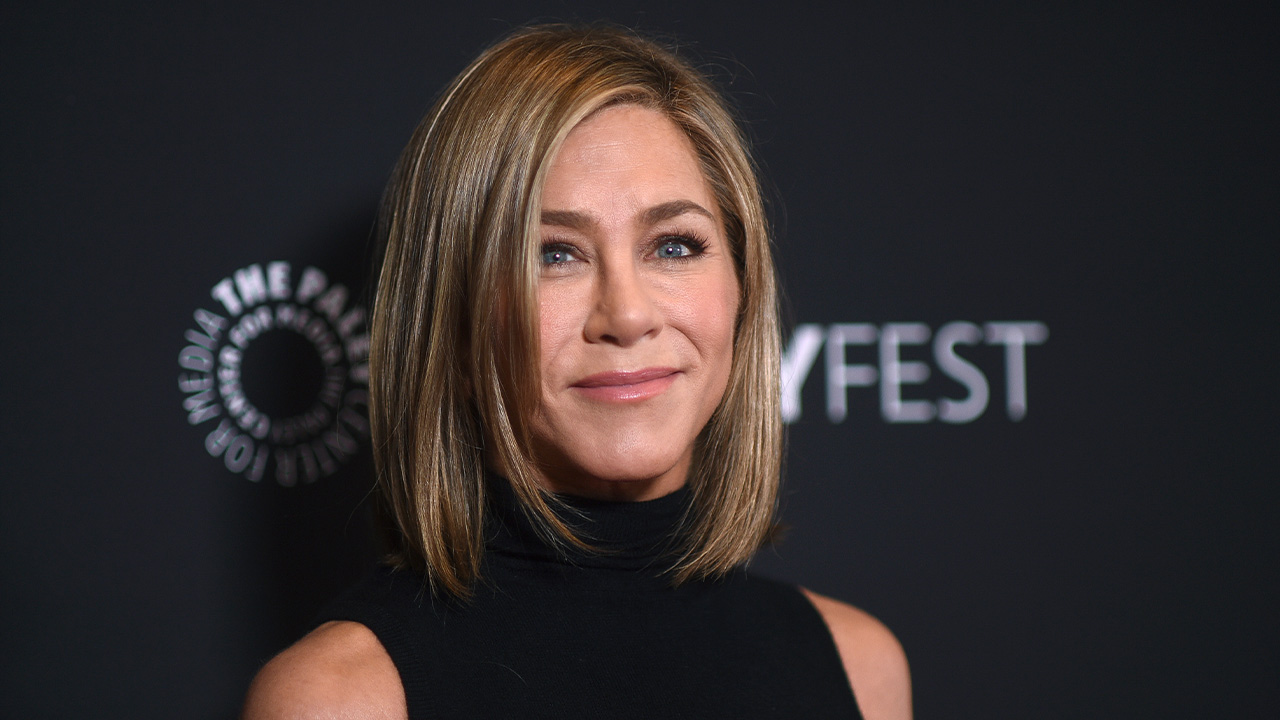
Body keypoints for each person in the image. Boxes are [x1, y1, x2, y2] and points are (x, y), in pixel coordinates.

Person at [243, 23, 910, 719]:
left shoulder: (858, 667)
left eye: (675, 246)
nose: (626, 315)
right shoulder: (343, 698)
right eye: (553, 255)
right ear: (456, 319)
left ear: (742, 291)